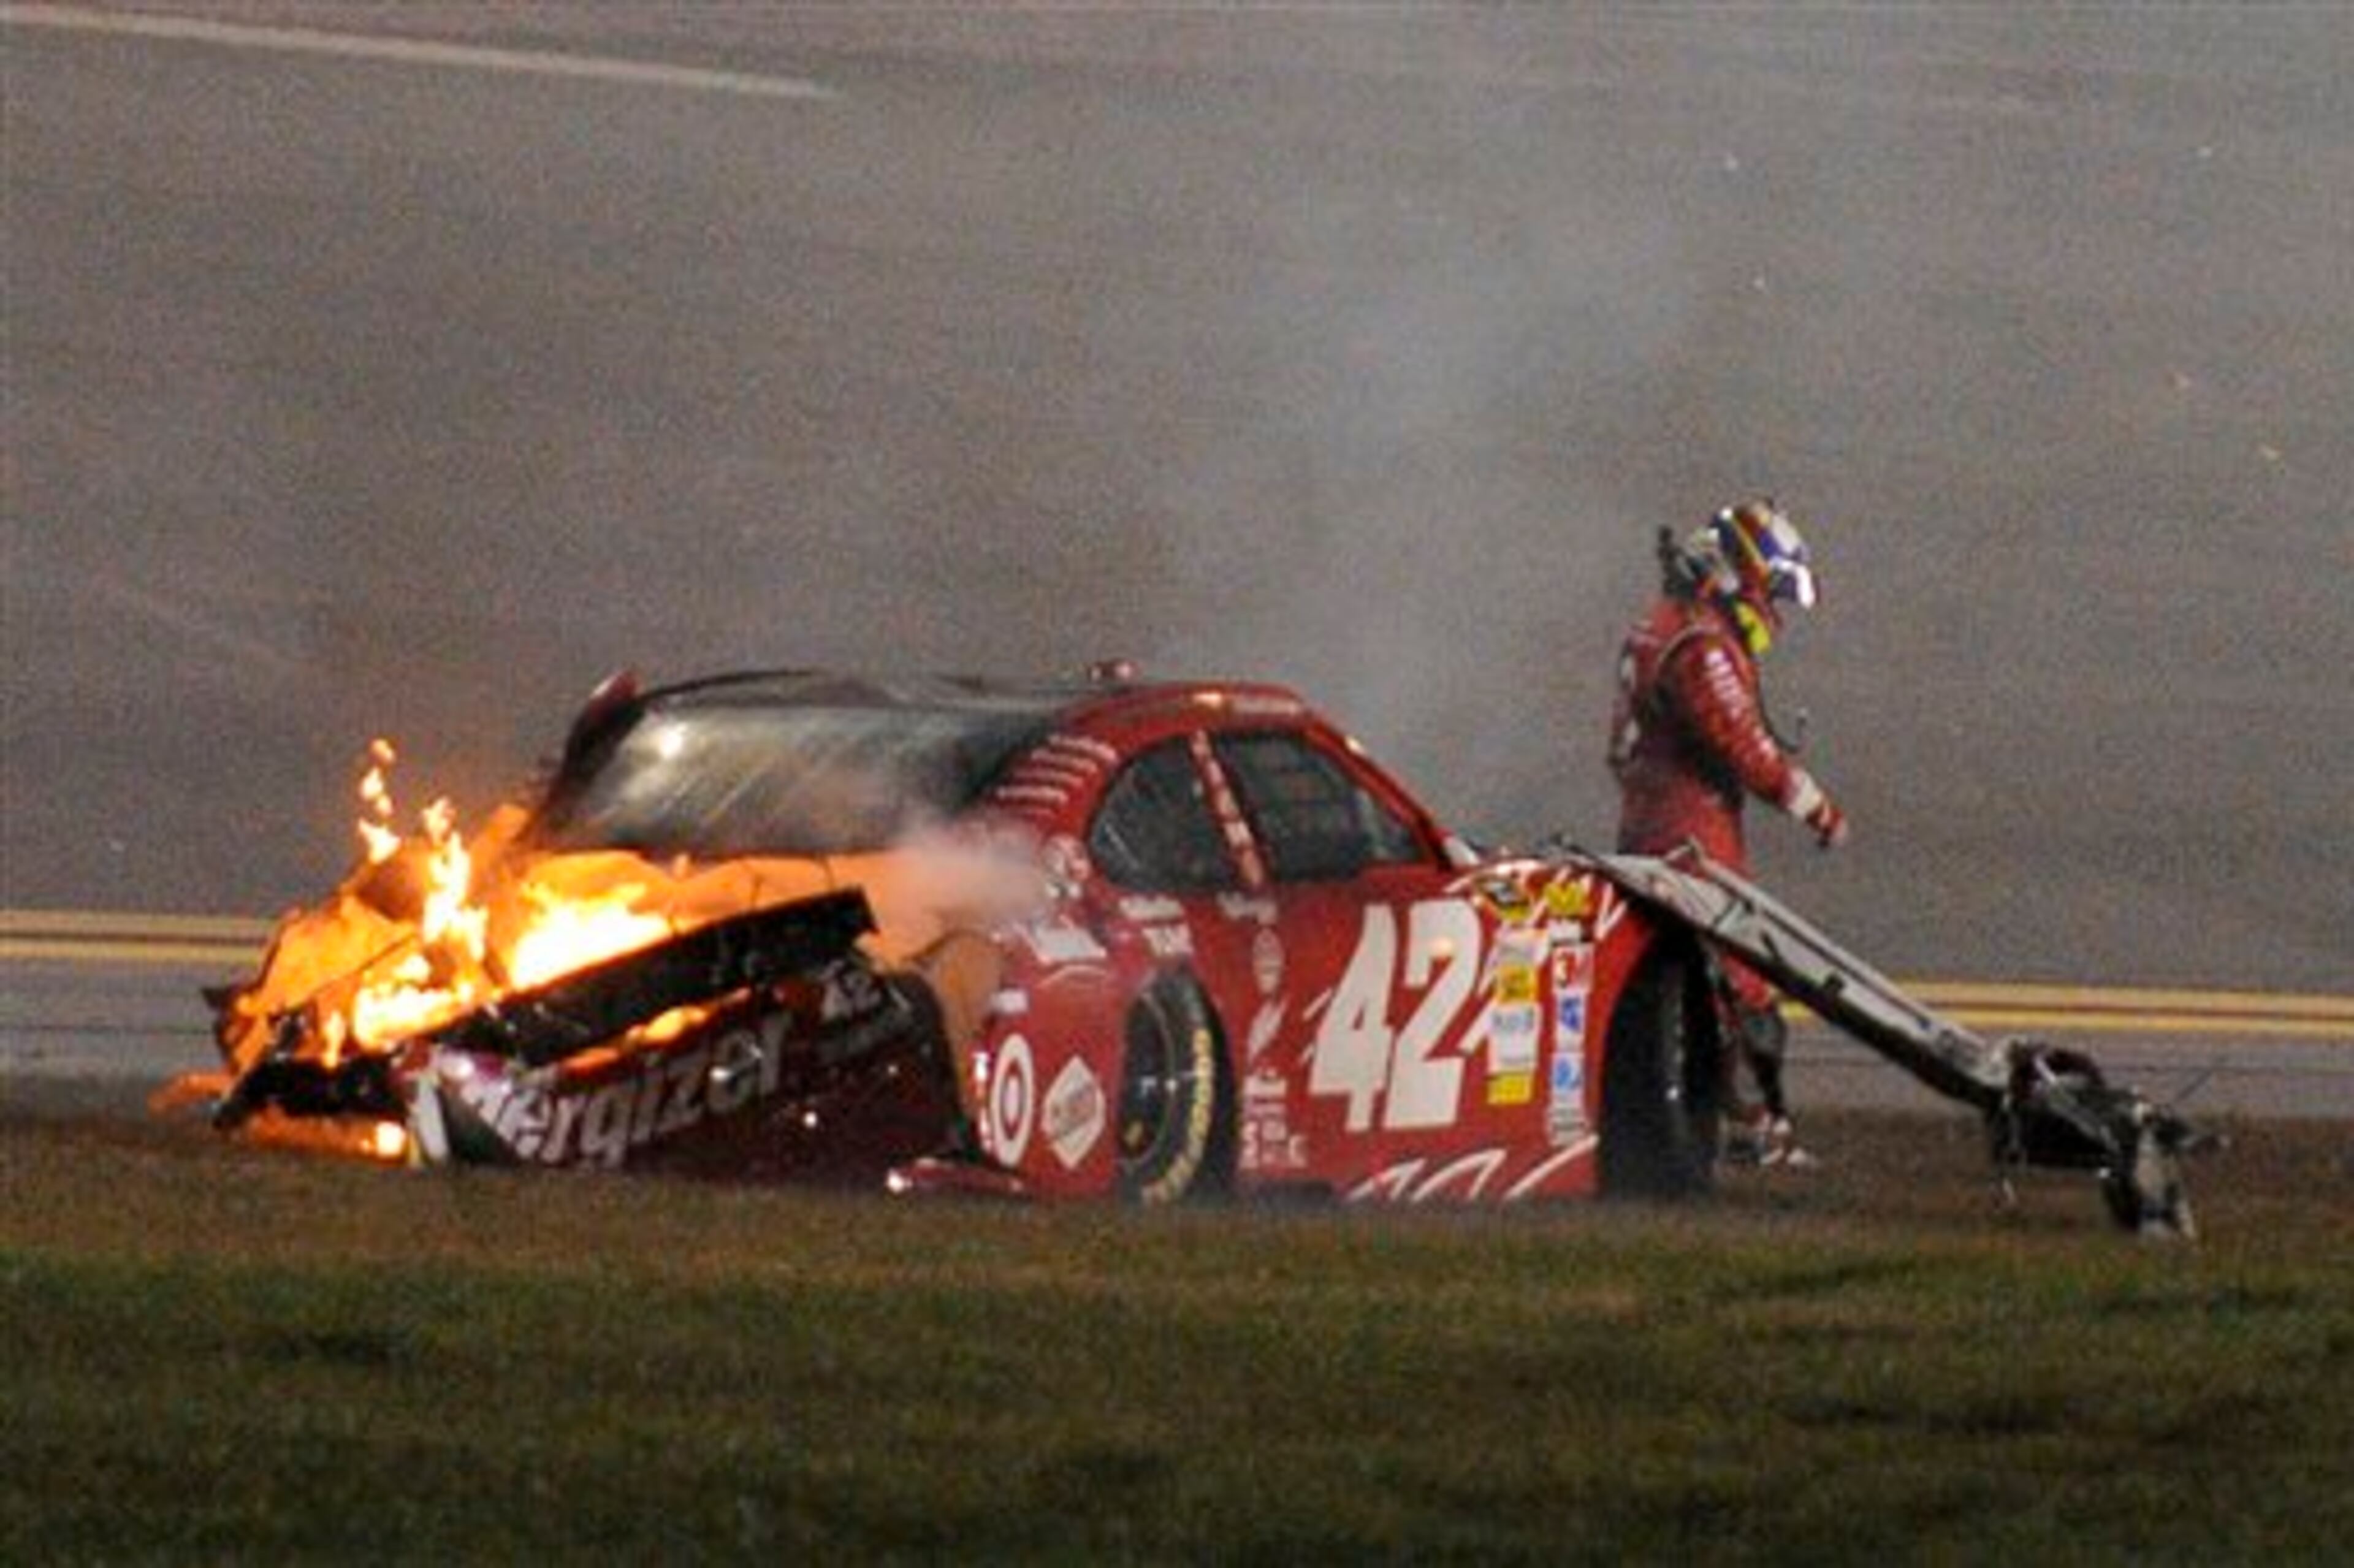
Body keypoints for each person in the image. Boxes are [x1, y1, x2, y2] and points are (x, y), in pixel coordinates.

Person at [1607, 498, 1848, 1166]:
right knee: (1741, 987)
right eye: (1773, 594)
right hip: (1691, 834)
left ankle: (1714, 1121)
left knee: (1685, 984)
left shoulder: (1661, 627)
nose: (1775, 616)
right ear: (1741, 577)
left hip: (1656, 823)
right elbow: (1747, 747)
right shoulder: (1701, 647)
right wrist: (1818, 808)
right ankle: (1754, 1130)